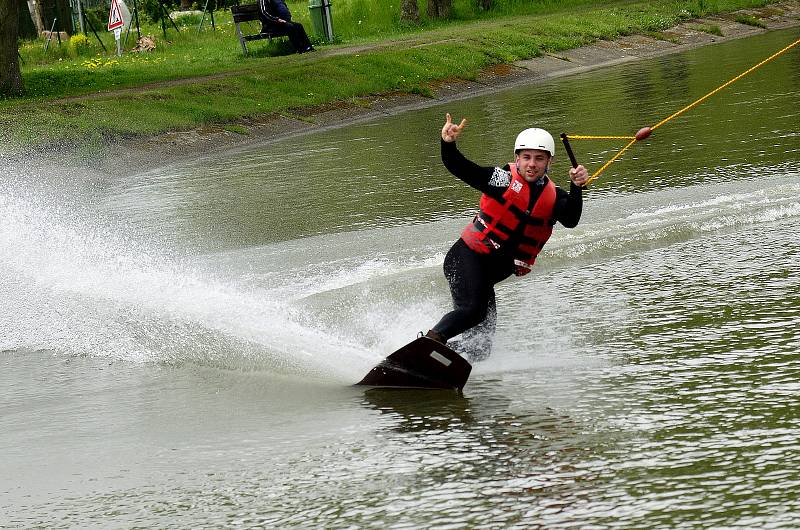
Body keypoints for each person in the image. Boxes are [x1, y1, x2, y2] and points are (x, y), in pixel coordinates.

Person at [424, 113, 590, 362]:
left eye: (539, 158)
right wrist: (448, 144)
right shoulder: (502, 180)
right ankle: (429, 344)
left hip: (487, 276)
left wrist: (577, 187)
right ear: (517, 159)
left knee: (480, 347)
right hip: (465, 258)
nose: (531, 164)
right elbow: (461, 168)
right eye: (526, 158)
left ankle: (435, 362)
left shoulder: (555, 196)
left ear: (549, 162)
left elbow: (571, 219)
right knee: (473, 311)